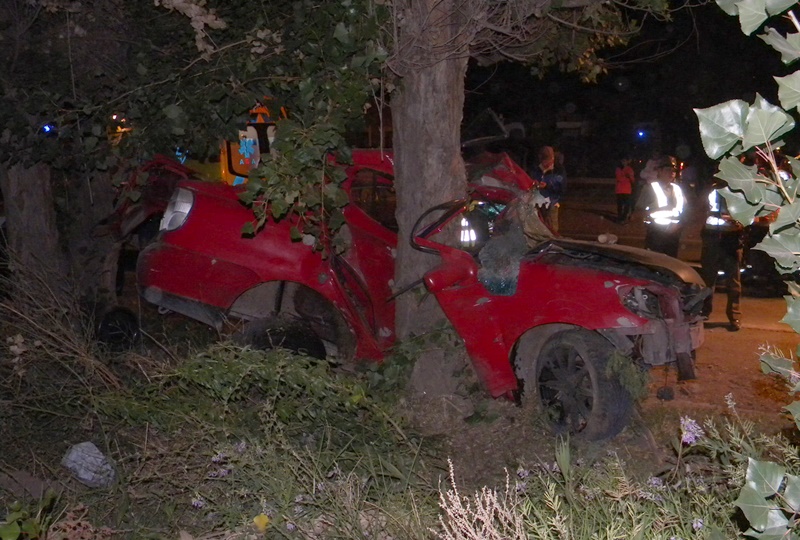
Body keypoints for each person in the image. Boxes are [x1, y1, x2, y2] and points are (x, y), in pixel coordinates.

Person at [700, 183, 744, 331]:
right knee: (708, 280)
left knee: (733, 282)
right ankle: (704, 312)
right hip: (713, 237)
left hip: (731, 239)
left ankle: (734, 316)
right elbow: (705, 209)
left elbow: (747, 214)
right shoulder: (712, 190)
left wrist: (739, 221)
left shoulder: (740, 191)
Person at [643, 155, 686, 257]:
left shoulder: (677, 189)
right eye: (668, 170)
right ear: (659, 171)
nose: (671, 173)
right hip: (656, 233)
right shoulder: (650, 188)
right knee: (654, 262)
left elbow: (684, 211)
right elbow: (640, 211)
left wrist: (677, 226)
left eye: (673, 171)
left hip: (674, 234)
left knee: (671, 264)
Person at [531, 146, 565, 233]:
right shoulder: (536, 169)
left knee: (551, 227)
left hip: (552, 201)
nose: (547, 163)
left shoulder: (558, 169)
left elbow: (561, 186)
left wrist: (548, 185)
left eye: (549, 160)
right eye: (544, 161)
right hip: (537, 201)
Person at [615, 156, 635, 223]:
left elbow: (632, 180)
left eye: (625, 161)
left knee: (627, 205)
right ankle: (620, 217)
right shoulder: (618, 169)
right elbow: (619, 178)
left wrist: (629, 176)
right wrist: (625, 176)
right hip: (619, 190)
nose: (623, 162)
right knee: (620, 205)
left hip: (627, 190)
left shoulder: (629, 169)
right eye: (622, 161)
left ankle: (624, 218)